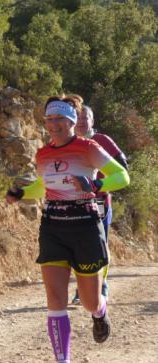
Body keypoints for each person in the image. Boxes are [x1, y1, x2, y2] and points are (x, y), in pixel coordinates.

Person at [6, 96, 129, 363]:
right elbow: (43, 187)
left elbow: (122, 176)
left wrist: (96, 185)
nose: (55, 125)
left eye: (61, 120)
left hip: (85, 226)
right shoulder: (42, 154)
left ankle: (99, 312)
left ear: (73, 122)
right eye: (50, 120)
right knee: (55, 298)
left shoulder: (88, 148)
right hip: (53, 228)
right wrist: (21, 194)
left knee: (88, 300)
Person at [71, 101, 129, 304]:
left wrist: (98, 183)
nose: (80, 122)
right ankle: (82, 288)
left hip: (100, 200)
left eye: (85, 118)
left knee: (99, 243)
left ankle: (101, 284)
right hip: (74, 201)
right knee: (78, 245)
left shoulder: (101, 139)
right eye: (77, 118)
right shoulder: (67, 142)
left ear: (92, 120)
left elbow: (122, 164)